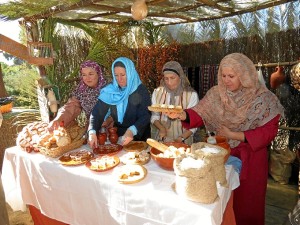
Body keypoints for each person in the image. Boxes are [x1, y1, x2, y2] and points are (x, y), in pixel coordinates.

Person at [165, 53, 285, 225]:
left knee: (247, 206)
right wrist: (182, 114)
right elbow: (199, 112)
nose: (226, 80)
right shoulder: (217, 94)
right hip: (222, 156)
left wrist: (234, 135)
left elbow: (269, 131)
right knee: (223, 203)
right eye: (223, 75)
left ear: (244, 75)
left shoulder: (264, 98)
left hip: (251, 159)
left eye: (231, 76)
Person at [88, 57, 151, 147]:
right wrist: (92, 131)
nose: (119, 79)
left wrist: (131, 131)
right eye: (116, 75)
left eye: (123, 75)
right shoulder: (111, 91)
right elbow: (97, 113)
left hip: (139, 137)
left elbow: (145, 115)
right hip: (119, 137)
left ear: (130, 73)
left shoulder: (140, 90)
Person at [48, 60, 110, 131]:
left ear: (98, 73)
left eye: (91, 74)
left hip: (113, 129)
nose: (87, 78)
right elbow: (70, 107)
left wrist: (109, 120)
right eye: (84, 75)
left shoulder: (110, 88)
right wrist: (58, 119)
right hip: (92, 130)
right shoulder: (81, 91)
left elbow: (121, 108)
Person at [151, 61, 199, 145]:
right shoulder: (157, 93)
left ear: (180, 77)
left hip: (184, 141)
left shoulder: (191, 95)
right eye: (166, 78)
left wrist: (181, 138)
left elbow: (193, 124)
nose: (169, 82)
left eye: (172, 78)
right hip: (162, 139)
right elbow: (155, 116)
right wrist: (161, 128)